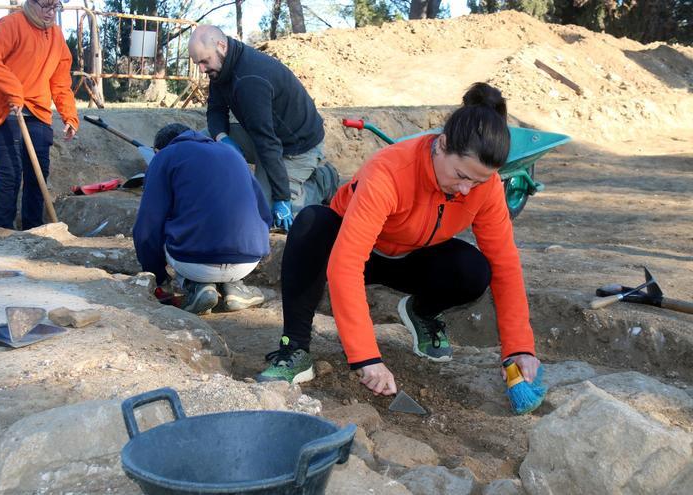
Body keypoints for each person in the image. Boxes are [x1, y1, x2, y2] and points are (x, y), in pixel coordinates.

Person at [256, 83, 542, 395]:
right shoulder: (390, 171)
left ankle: (422, 311)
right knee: (311, 224)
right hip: (352, 248)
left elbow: (505, 263)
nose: (466, 190)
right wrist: (366, 357)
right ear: (442, 144)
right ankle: (294, 348)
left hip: (411, 257)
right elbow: (347, 264)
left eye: (478, 181)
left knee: (474, 269)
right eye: (461, 176)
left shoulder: (482, 187)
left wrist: (519, 348)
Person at [188, 25, 339, 232]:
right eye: (198, 64)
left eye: (204, 61)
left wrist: (282, 197)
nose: (202, 69)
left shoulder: (250, 80)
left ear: (221, 46)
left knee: (265, 214)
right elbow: (215, 110)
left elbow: (268, 143)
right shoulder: (221, 68)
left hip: (296, 148)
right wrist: (223, 139)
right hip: (263, 135)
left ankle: (323, 181)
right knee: (202, 141)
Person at [133, 124, 271, 315]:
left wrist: (157, 275)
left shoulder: (165, 157)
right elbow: (264, 213)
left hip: (195, 264)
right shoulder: (231, 153)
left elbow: (147, 227)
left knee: (166, 225)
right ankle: (235, 288)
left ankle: (196, 287)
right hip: (248, 260)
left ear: (157, 151)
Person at [0, 0, 78, 230]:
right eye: (45, 6)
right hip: (7, 110)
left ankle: (34, 229)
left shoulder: (57, 37)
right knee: (11, 172)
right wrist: (14, 90)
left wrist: (69, 115)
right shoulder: (11, 25)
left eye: (55, 7)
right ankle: (3, 230)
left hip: (39, 112)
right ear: (30, 3)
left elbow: (60, 81)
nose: (50, 12)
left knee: (38, 174)